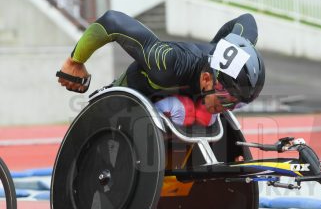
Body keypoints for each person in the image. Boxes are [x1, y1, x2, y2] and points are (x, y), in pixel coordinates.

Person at [57, 10, 265, 125]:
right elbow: (111, 21)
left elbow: (246, 19)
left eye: (235, 104)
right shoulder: (168, 62)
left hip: (179, 99)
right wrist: (75, 61)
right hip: (128, 100)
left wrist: (218, 46)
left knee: (205, 116)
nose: (226, 109)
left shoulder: (231, 58)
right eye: (225, 101)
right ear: (206, 79)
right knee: (195, 112)